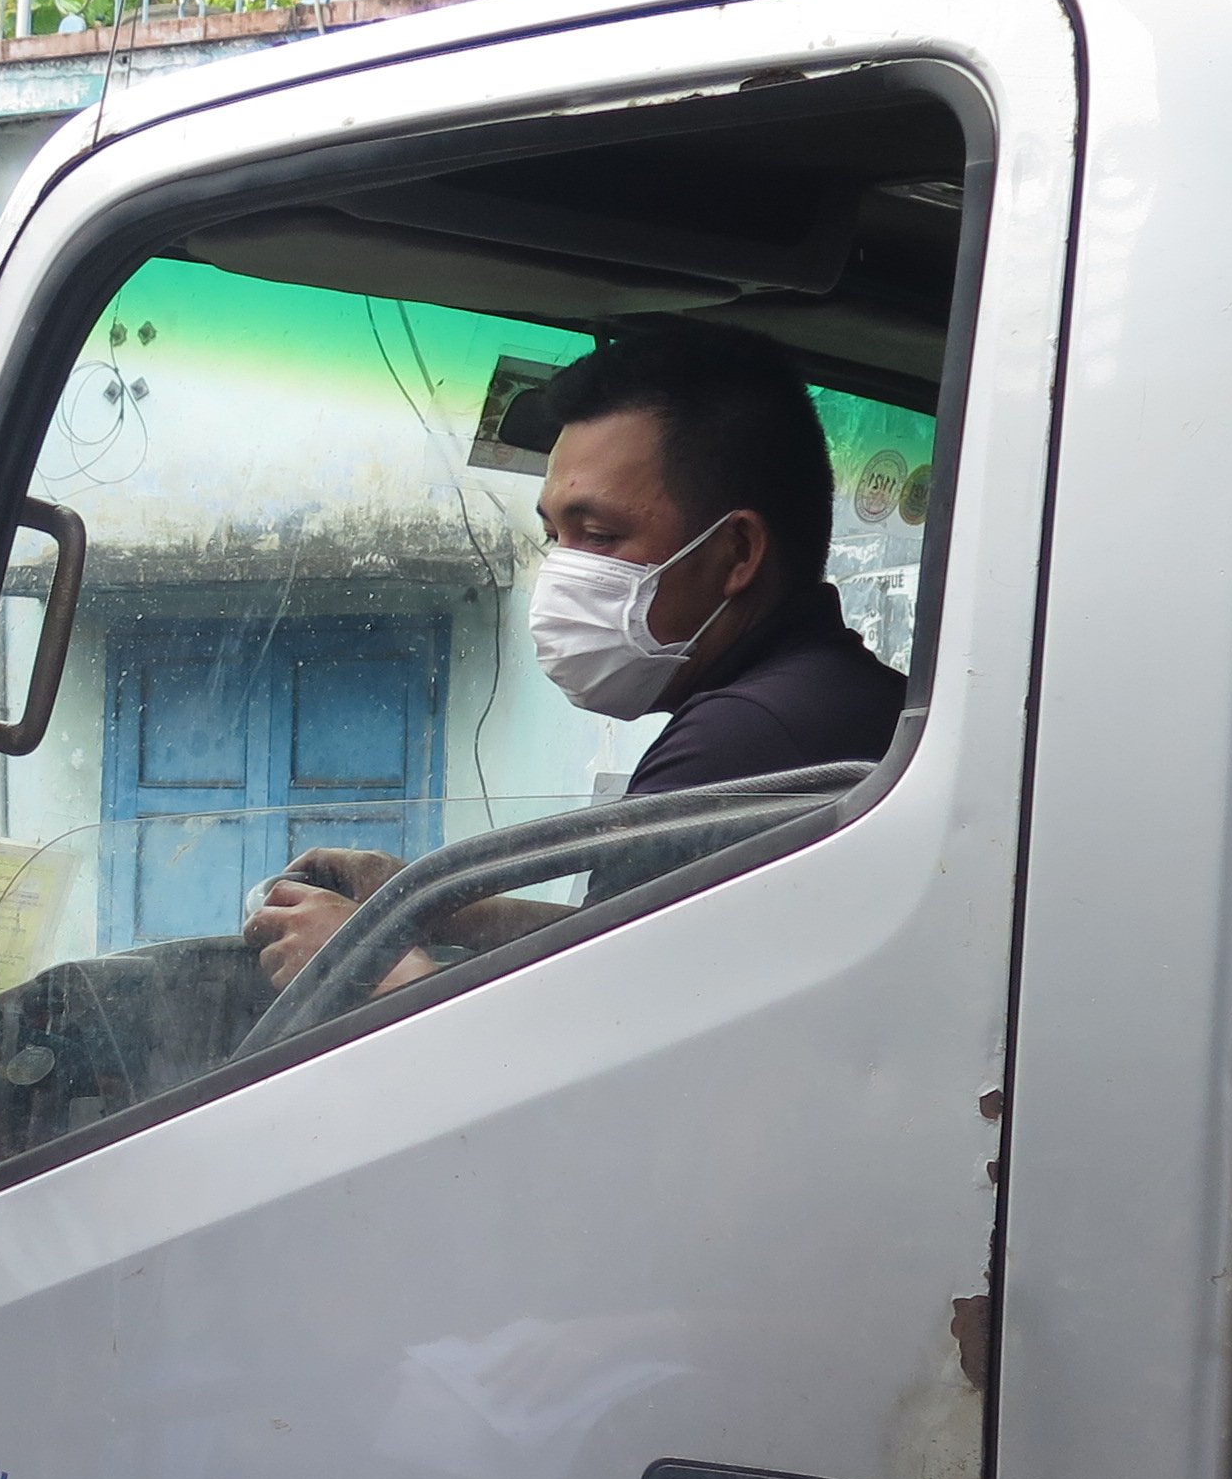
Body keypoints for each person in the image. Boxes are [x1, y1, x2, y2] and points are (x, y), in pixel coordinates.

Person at [245, 318, 909, 994]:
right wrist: (425, 901)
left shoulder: (742, 743)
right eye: (554, 535)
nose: (560, 576)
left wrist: (362, 963)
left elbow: (584, 1030)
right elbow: (633, 946)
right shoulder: (840, 697)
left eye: (598, 535)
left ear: (735, 553)